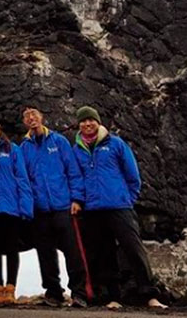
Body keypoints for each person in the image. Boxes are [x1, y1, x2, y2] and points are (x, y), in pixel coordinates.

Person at [72, 106, 167, 309]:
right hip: (93, 210)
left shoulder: (115, 143)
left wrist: (127, 198)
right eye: (83, 121)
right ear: (79, 125)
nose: (88, 124)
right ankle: (114, 297)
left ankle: (150, 295)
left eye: (91, 120)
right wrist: (79, 200)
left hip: (120, 206)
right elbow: (77, 178)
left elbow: (133, 175)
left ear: (98, 122)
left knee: (133, 249)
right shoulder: (76, 149)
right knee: (105, 254)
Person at [20, 104, 88, 307]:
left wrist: (76, 199)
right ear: (24, 122)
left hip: (63, 206)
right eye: (27, 116)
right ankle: (53, 292)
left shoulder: (59, 141)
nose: (31, 118)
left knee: (72, 251)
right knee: (45, 252)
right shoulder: (24, 148)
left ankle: (79, 293)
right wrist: (28, 207)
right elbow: (23, 180)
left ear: (41, 117)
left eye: (34, 114)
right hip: (39, 209)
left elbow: (73, 171)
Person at [0, 115, 33, 306]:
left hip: (11, 207)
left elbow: (22, 179)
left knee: (12, 248)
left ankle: (10, 289)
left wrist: (26, 207)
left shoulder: (13, 149)